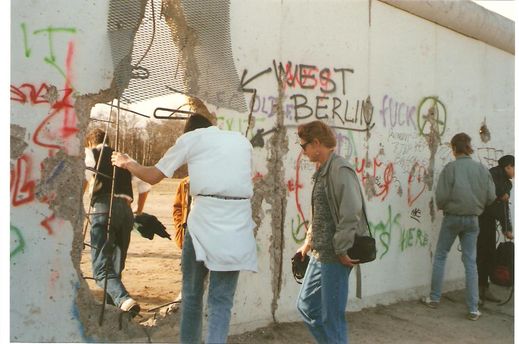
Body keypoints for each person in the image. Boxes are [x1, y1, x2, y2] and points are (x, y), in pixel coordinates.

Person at [111, 97, 258, 343]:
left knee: (191, 295)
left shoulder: (191, 138)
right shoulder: (241, 141)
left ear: (190, 131)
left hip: (206, 221)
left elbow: (154, 176)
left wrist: (128, 163)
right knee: (221, 300)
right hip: (239, 224)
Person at [295, 120, 368, 344]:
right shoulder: (323, 171)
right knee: (306, 306)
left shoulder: (340, 169)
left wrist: (342, 248)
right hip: (319, 254)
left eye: (304, 145)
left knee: (331, 318)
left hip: (336, 257)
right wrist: (308, 243)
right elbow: (319, 214)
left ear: (316, 143)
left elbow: (351, 211)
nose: (303, 150)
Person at [422, 133, 495, 321]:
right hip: (473, 219)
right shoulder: (481, 169)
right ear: (469, 147)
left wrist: (447, 206)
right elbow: (491, 196)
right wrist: (476, 206)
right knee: (470, 261)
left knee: (440, 255)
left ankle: (434, 298)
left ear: (454, 148)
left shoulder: (450, 168)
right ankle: (473, 309)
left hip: (452, 218)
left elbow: (441, 196)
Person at [83, 128, 146, 315]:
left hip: (104, 206)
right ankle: (113, 311)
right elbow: (145, 186)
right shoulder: (125, 158)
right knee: (115, 267)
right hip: (126, 210)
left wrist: (79, 204)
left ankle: (124, 300)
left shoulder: (92, 152)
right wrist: (139, 209)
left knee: (101, 270)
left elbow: (84, 177)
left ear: (90, 142)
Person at [477, 155, 514, 304]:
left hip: (487, 221)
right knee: (482, 255)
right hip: (481, 220)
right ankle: (480, 291)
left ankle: (483, 289)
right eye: (515, 168)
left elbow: (503, 206)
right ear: (508, 167)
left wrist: (507, 228)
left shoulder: (504, 182)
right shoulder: (493, 177)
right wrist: (507, 228)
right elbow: (497, 204)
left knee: (488, 254)